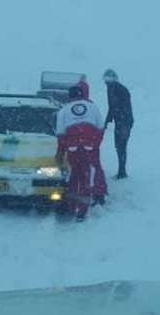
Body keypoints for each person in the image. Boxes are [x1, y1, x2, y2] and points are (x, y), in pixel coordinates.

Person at [56, 86, 107, 221]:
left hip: (73, 149)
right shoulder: (93, 107)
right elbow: (101, 128)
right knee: (88, 176)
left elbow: (60, 135)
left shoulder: (64, 110)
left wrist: (60, 153)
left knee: (73, 177)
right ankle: (84, 209)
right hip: (89, 147)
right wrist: (95, 145)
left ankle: (72, 206)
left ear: (70, 96)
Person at [103, 69, 134, 179]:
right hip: (119, 121)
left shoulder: (121, 90)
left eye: (109, 79)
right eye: (105, 79)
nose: (107, 81)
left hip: (124, 121)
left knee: (121, 146)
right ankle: (121, 170)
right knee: (118, 146)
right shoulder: (110, 89)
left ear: (114, 79)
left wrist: (121, 121)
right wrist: (107, 121)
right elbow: (111, 107)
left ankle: (122, 172)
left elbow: (122, 107)